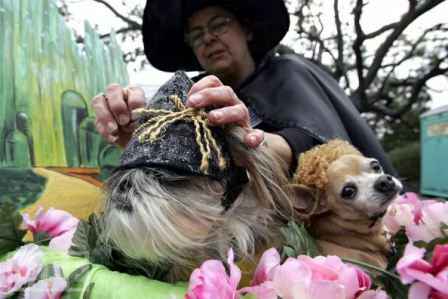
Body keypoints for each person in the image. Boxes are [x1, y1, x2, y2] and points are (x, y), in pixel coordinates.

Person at [92, 0, 396, 175]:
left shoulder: (289, 72)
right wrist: (139, 134)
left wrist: (243, 140)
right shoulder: (193, 96)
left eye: (218, 24)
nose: (208, 38)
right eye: (196, 35)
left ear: (246, 30)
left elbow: (315, 144)